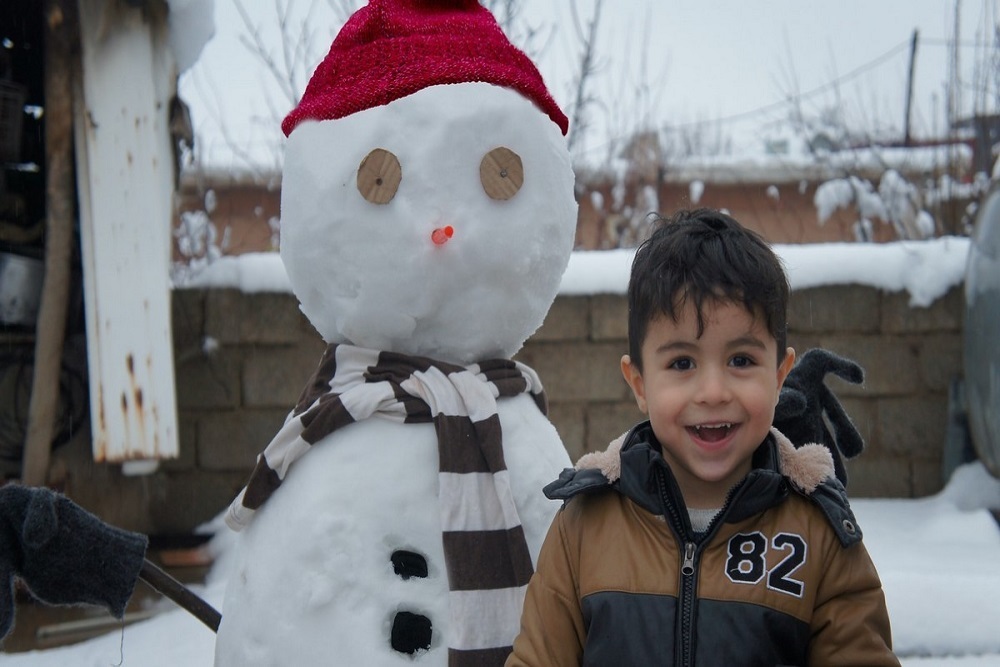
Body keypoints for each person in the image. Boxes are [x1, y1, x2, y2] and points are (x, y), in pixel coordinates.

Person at [506, 208, 899, 666]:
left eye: (741, 361)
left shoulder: (820, 535)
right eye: (681, 364)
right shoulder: (584, 527)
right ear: (639, 384)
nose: (713, 393)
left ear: (780, 376)